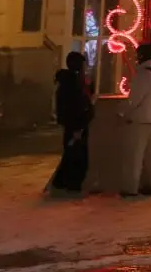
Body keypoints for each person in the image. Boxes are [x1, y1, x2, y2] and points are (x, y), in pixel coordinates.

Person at [121, 43, 151, 197]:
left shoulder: (143, 74)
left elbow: (135, 99)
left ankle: (130, 187)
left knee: (135, 155)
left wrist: (124, 113)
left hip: (140, 118)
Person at [49, 51, 93, 195]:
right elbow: (74, 107)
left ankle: (63, 183)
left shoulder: (69, 83)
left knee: (72, 155)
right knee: (76, 156)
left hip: (75, 125)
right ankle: (69, 184)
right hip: (76, 126)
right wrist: (79, 125)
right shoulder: (72, 85)